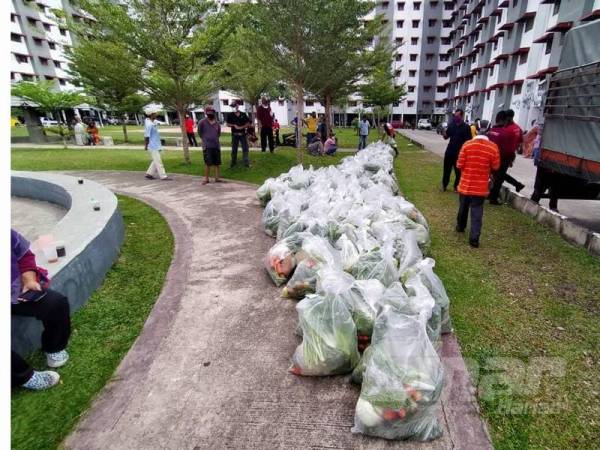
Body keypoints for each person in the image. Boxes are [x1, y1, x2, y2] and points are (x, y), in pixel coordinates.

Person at [11, 229, 71, 390]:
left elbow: (24, 256)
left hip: (13, 289)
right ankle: (24, 377)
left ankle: (54, 347)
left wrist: (29, 279)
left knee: (55, 303)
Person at [455, 120, 501, 248]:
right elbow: (496, 166)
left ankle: (460, 226)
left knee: (463, 207)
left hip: (466, 184)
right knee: (477, 212)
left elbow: (459, 164)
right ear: (489, 131)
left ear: (475, 130)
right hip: (480, 187)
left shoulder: (467, 145)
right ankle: (474, 239)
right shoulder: (493, 147)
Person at [488, 110, 526, 204]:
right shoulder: (517, 128)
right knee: (499, 175)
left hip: (501, 156)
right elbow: (520, 142)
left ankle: (493, 196)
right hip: (505, 155)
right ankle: (517, 184)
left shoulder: (504, 130)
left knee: (498, 176)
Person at [442, 108, 472, 192]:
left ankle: (456, 186)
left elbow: (468, 141)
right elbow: (446, 137)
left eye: (458, 116)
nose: (456, 117)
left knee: (458, 172)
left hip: (460, 154)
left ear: (462, 116)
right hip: (449, 152)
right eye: (455, 116)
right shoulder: (452, 125)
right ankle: (444, 185)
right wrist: (443, 132)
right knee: (446, 170)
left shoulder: (466, 127)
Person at [144, 106, 170, 180]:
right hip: (152, 145)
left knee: (156, 160)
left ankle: (149, 174)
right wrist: (146, 145)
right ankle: (163, 176)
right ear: (151, 114)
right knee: (158, 161)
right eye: (155, 113)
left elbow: (157, 122)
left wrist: (164, 123)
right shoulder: (149, 124)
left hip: (157, 144)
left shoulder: (151, 121)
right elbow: (146, 136)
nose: (156, 114)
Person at [197, 106, 222, 185]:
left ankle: (217, 178)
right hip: (207, 146)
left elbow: (218, 134)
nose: (211, 114)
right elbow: (199, 133)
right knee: (208, 163)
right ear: (206, 113)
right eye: (209, 113)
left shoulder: (217, 123)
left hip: (216, 145)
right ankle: (206, 179)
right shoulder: (202, 122)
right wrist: (205, 139)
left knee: (217, 163)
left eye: (212, 113)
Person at [226, 100, 251, 168]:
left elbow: (248, 123)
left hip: (243, 134)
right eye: (232, 106)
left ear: (237, 106)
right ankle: (233, 162)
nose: (233, 107)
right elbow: (227, 124)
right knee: (234, 149)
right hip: (234, 135)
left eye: (234, 106)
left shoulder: (243, 114)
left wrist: (241, 127)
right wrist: (233, 125)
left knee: (245, 149)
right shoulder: (230, 115)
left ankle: (246, 163)